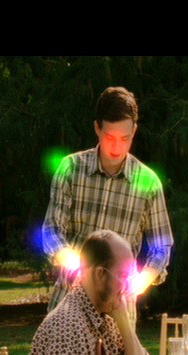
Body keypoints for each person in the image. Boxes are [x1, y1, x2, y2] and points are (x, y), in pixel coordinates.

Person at [41, 86, 174, 327]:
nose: (116, 147)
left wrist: (142, 280)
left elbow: (161, 248)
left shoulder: (148, 183)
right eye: (110, 137)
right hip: (69, 307)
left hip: (119, 314)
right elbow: (51, 232)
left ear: (134, 131)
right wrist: (76, 264)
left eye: (125, 139)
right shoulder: (71, 169)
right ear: (97, 128)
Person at [16, 230, 153, 355]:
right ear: (100, 274)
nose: (127, 286)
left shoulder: (106, 320)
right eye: (122, 276)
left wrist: (123, 321)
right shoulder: (67, 325)